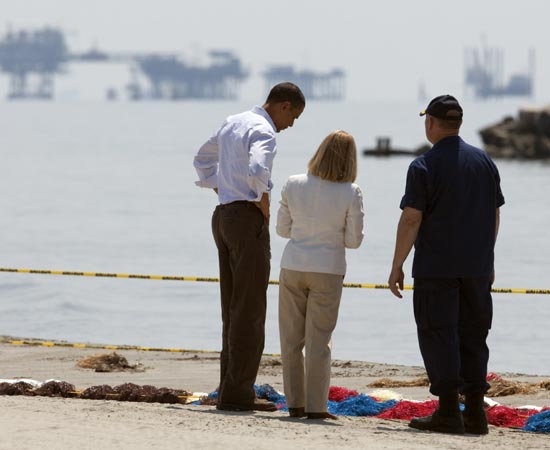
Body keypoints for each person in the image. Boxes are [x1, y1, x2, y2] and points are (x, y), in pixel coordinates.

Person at [388, 95, 505, 434]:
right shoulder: (484, 162)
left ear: (430, 123)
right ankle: (476, 413)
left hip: (436, 268)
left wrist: (397, 264)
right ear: (459, 123)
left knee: (438, 334)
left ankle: (449, 410)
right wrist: (488, 257)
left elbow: (412, 218)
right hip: (476, 267)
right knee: (474, 335)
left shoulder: (423, 165)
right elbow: (494, 214)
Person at [193, 82, 305, 412]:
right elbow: (258, 168)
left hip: (223, 215)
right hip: (246, 218)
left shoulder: (233, 122)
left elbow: (202, 159)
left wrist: (222, 188)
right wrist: (262, 200)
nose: (291, 125)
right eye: (293, 117)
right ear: (284, 106)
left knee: (232, 307)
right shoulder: (264, 131)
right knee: (250, 309)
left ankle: (230, 387)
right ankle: (238, 393)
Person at [276, 130, 364, 420]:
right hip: (328, 268)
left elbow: (282, 230)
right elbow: (353, 241)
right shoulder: (351, 191)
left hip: (293, 264)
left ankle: (295, 404)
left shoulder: (293, 183)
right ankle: (316, 406)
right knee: (319, 341)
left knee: (290, 339)